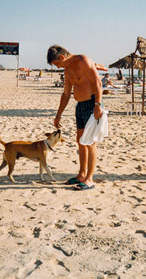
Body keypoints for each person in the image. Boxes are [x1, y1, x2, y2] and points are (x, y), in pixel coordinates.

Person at [47, 45, 103, 191]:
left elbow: (98, 82)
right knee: (80, 141)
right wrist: (58, 114)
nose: (58, 67)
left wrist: (97, 105)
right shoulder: (67, 71)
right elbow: (66, 94)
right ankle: (81, 174)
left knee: (90, 142)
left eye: (57, 64)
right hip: (80, 106)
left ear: (61, 57)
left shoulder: (83, 60)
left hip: (92, 104)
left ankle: (89, 179)